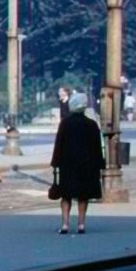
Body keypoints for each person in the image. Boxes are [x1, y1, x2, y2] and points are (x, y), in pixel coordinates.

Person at [52, 91, 104, 234]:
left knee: (66, 195)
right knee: (83, 195)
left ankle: (65, 224)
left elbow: (59, 144)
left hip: (67, 164)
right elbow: (97, 147)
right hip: (86, 165)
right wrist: (100, 164)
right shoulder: (92, 124)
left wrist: (55, 162)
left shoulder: (65, 123)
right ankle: (81, 224)